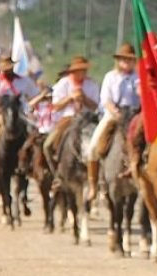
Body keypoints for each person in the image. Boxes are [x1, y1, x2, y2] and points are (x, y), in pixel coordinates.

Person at [85, 43, 140, 202]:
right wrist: (114, 112)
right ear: (118, 61)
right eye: (124, 60)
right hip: (114, 114)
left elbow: (142, 96)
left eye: (130, 60)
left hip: (135, 115)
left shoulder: (138, 77)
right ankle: (94, 185)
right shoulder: (111, 77)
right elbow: (105, 99)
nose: (127, 63)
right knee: (93, 147)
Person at [42, 56, 99, 169]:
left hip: (87, 118)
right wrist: (70, 98)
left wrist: (84, 98)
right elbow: (56, 106)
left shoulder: (91, 84)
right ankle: (55, 172)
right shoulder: (63, 84)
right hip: (68, 118)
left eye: (84, 70)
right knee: (47, 145)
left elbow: (95, 106)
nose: (83, 73)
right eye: (80, 70)